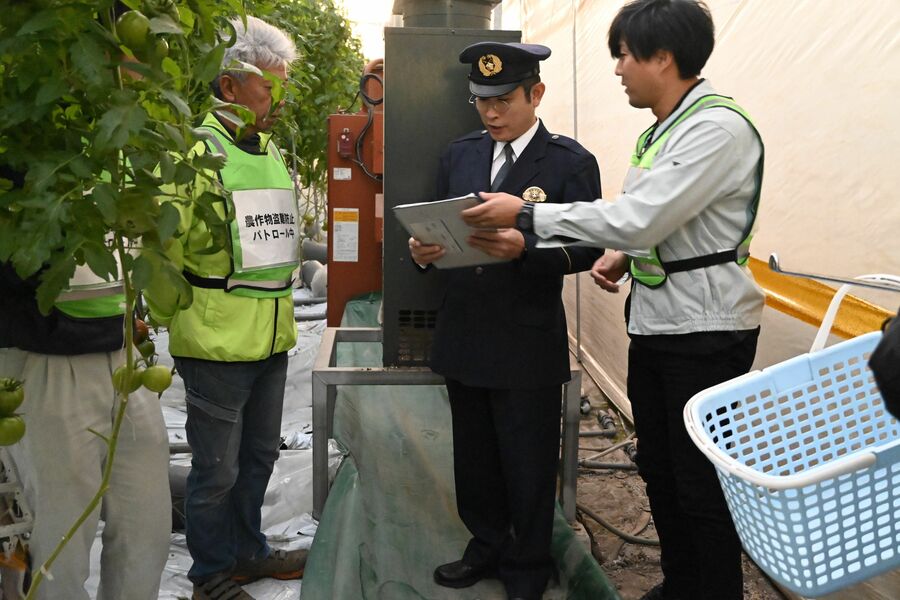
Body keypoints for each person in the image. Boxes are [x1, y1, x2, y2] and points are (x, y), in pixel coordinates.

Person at [462, 2, 765, 599]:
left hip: (706, 331)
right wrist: (626, 254)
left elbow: (640, 216)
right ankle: (681, 585)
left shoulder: (716, 128)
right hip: (661, 323)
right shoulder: (663, 130)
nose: (619, 69)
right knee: (660, 469)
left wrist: (528, 215)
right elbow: (665, 219)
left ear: (663, 57)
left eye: (625, 56)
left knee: (699, 484)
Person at [409, 42, 604, 600]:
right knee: (475, 460)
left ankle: (527, 566)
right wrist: (422, 253)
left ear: (535, 94)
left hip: (525, 340)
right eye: (481, 100)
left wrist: (527, 248)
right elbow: (436, 223)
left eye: (503, 101)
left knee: (528, 463)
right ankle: (486, 546)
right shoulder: (460, 154)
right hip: (466, 331)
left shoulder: (568, 163)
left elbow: (589, 247)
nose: (491, 113)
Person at [142, 16, 305, 600]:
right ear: (230, 86)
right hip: (216, 343)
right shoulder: (193, 156)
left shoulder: (269, 150)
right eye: (269, 87)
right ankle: (210, 575)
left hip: (272, 336)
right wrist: (169, 316)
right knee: (216, 470)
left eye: (284, 87)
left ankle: (247, 553)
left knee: (259, 456)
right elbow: (162, 249)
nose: (279, 100)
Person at [0, 168, 171, 600]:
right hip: (45, 359)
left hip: (123, 357)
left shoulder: (117, 153)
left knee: (147, 526)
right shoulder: (26, 151)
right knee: (57, 539)